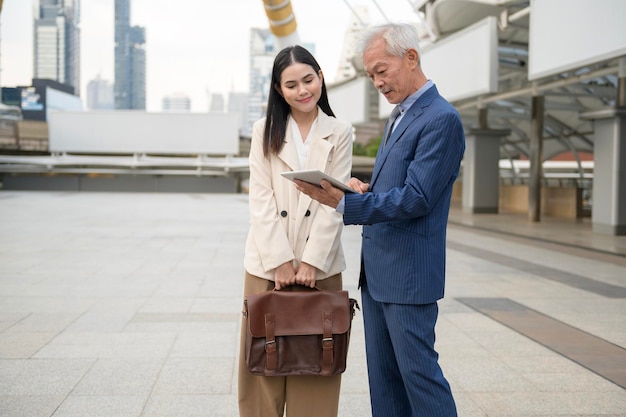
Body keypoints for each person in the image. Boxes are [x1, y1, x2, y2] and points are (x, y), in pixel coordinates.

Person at [294, 23, 465, 417]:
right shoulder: (401, 115)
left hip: (408, 278)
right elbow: (402, 183)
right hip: (378, 277)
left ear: (410, 57)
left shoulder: (441, 118)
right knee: (385, 384)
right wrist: (364, 190)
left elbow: (419, 197)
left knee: (420, 378)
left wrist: (344, 205)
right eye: (370, 75)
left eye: (380, 70)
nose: (376, 82)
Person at [238, 44, 353, 417]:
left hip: (320, 267)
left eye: (309, 79)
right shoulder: (263, 130)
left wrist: (312, 263)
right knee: (262, 368)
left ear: (321, 77)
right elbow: (260, 199)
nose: (303, 90)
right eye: (292, 85)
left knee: (315, 367)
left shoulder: (340, 131)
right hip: (267, 266)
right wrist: (281, 262)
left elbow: (334, 203)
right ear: (278, 89)